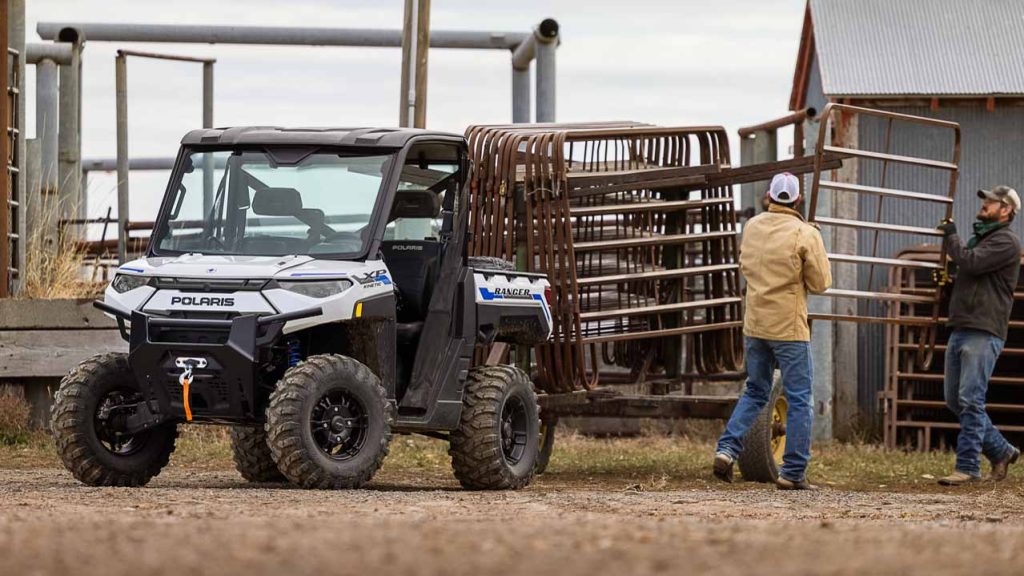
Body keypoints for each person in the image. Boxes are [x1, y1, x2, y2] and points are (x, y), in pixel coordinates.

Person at [713, 172, 832, 490]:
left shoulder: (752, 227)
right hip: (789, 328)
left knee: (755, 390)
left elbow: (744, 265)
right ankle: (793, 472)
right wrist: (814, 243)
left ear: (769, 196)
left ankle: (726, 450)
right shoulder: (805, 233)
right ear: (797, 199)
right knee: (800, 399)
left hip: (755, 325)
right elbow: (821, 283)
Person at [935, 185, 1022, 486]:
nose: (985, 205)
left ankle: (968, 465)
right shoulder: (983, 239)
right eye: (985, 201)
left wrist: (951, 238)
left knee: (970, 400)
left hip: (984, 329)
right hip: (963, 325)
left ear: (1007, 210)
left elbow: (971, 261)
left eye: (992, 203)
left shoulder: (1006, 242)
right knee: (954, 400)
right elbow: (971, 272)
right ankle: (1001, 451)